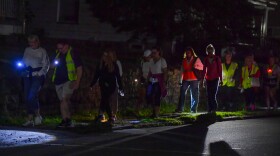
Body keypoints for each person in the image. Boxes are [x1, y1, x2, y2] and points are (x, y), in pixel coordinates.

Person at [52, 41, 83, 127]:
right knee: (63, 101)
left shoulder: (73, 53)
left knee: (64, 99)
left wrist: (77, 81)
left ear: (67, 46)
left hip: (69, 80)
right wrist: (54, 63)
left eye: (61, 48)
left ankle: (66, 119)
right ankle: (66, 119)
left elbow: (79, 68)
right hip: (58, 81)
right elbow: (51, 66)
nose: (60, 50)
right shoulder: (57, 54)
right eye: (58, 48)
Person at [22, 35, 50, 126]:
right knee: (27, 97)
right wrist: (23, 70)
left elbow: (46, 65)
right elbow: (23, 61)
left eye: (33, 42)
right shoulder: (27, 50)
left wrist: (40, 73)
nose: (31, 44)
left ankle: (37, 116)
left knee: (32, 95)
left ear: (37, 42)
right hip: (27, 75)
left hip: (37, 76)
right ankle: (30, 119)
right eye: (30, 42)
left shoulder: (42, 51)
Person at [90, 51, 123, 125]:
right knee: (104, 99)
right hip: (103, 85)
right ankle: (105, 115)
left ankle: (105, 115)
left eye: (106, 56)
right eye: (103, 56)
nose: (104, 57)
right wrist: (92, 84)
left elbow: (118, 77)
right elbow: (96, 75)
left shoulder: (114, 65)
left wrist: (121, 87)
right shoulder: (100, 65)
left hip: (111, 85)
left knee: (105, 98)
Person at [175, 47, 203, 113]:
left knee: (194, 94)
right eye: (187, 52)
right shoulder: (184, 60)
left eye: (189, 52)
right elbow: (182, 70)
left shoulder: (196, 59)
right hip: (185, 79)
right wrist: (180, 80)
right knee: (182, 93)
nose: (188, 54)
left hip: (194, 79)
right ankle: (180, 109)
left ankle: (193, 109)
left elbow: (202, 67)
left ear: (192, 53)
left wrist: (195, 67)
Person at [147, 46, 168, 118]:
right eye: (152, 53)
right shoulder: (151, 61)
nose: (153, 54)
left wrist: (164, 82)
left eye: (154, 52)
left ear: (158, 52)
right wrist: (147, 79)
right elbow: (150, 71)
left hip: (158, 81)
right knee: (150, 95)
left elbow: (165, 72)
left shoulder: (162, 60)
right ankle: (153, 112)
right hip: (151, 80)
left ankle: (156, 114)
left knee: (157, 97)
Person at [203, 44, 222, 113]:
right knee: (208, 94)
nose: (209, 53)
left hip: (215, 78)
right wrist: (203, 80)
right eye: (208, 51)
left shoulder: (217, 58)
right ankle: (210, 109)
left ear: (213, 51)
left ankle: (214, 107)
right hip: (208, 79)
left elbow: (220, 69)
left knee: (213, 94)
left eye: (211, 51)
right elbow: (204, 70)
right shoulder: (206, 59)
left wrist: (221, 79)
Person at [108, 49, 122, 121]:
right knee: (108, 99)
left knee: (114, 99)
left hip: (115, 84)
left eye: (111, 55)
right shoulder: (107, 62)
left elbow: (120, 74)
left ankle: (114, 114)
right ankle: (108, 114)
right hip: (107, 84)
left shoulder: (117, 63)